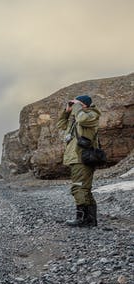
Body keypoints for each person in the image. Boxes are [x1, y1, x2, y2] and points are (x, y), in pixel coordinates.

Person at [56, 95, 101, 227]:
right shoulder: (76, 117)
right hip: (76, 158)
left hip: (82, 158)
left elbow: (82, 118)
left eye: (78, 103)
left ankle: (82, 219)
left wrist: (76, 107)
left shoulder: (92, 115)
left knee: (78, 187)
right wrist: (66, 111)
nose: (75, 105)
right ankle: (90, 219)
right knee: (84, 188)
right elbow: (61, 125)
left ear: (85, 105)